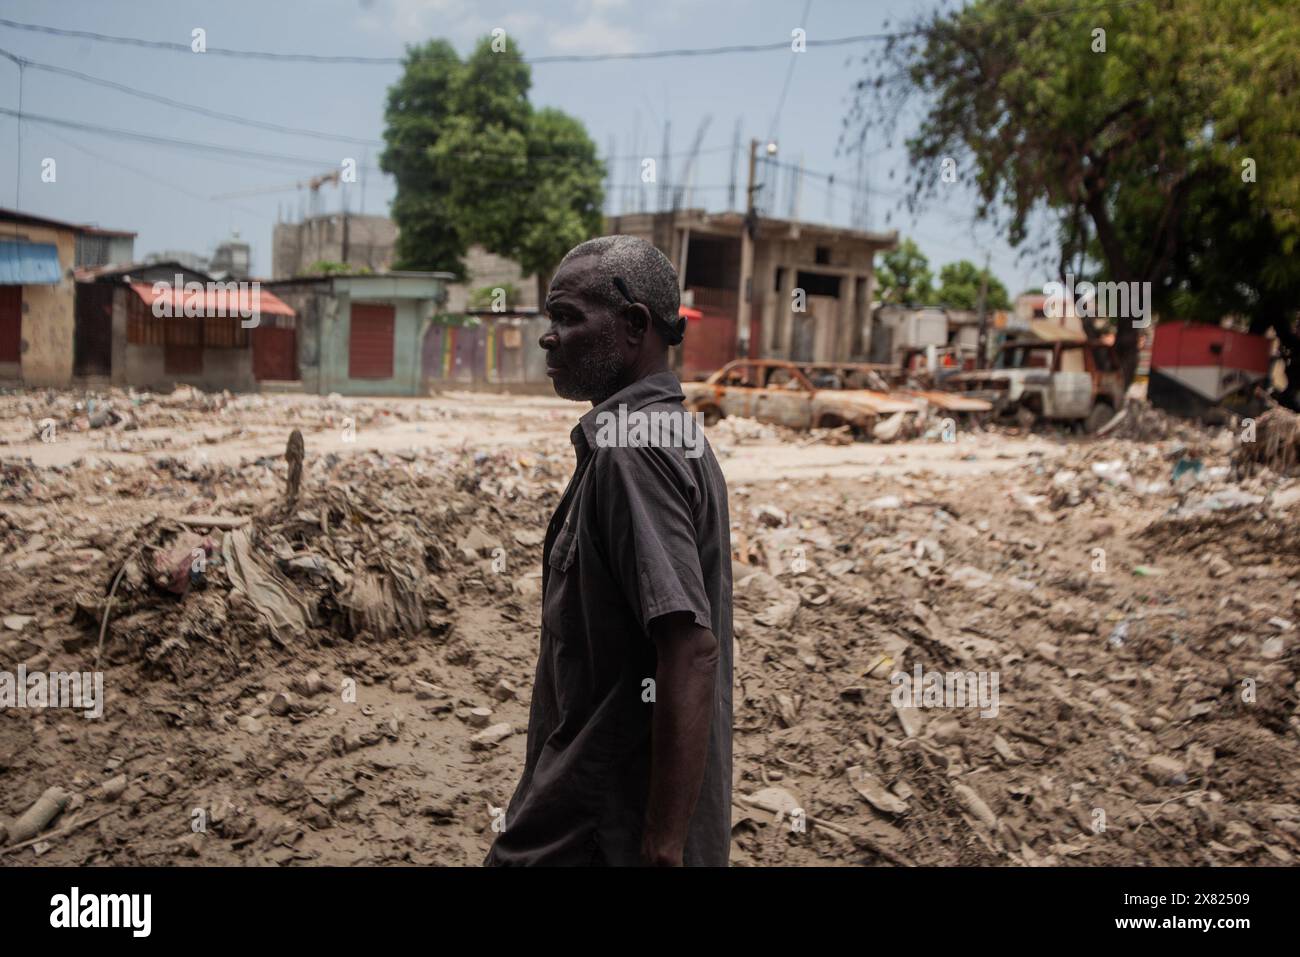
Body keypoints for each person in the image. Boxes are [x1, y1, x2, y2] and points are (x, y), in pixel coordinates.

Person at [483, 235, 733, 867]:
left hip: (601, 826)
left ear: (632, 326)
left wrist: (662, 847)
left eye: (568, 318)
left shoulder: (634, 452)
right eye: (550, 319)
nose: (550, 337)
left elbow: (689, 649)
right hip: (591, 808)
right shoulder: (656, 433)